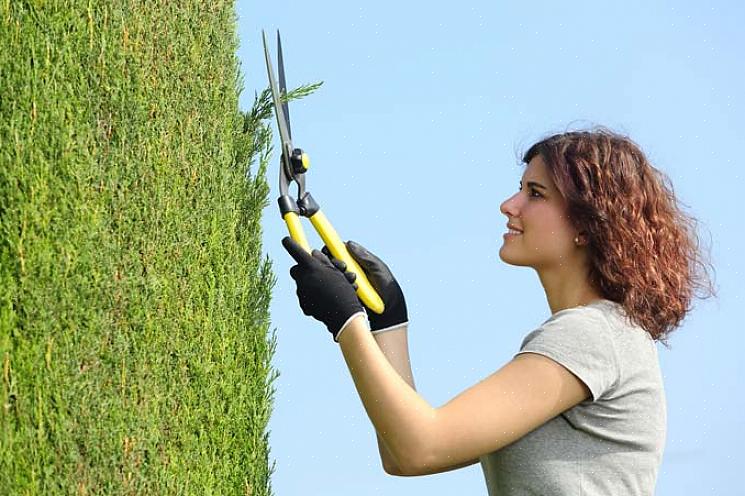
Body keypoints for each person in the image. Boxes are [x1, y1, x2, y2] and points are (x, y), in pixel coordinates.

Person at [282, 126, 716, 495]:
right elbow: (403, 456)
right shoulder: (597, 333)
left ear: (587, 224)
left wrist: (346, 322)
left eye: (535, 193)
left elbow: (420, 446)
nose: (510, 204)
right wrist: (387, 322)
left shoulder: (592, 335)